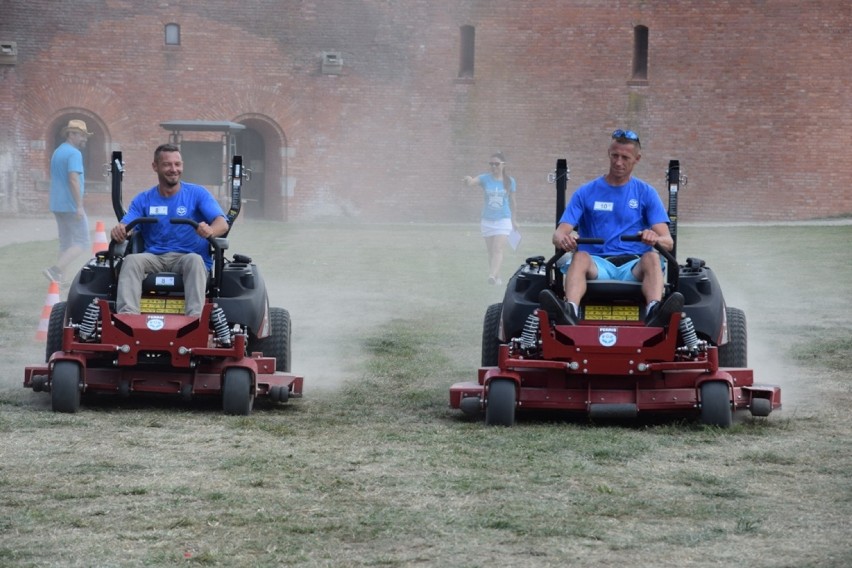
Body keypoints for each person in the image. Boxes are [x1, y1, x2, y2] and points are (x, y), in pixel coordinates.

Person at [541, 129, 683, 326]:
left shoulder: (646, 193)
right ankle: (569, 311)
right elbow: (559, 234)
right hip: (596, 264)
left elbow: (667, 242)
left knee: (652, 257)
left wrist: (654, 238)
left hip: (633, 265)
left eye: (625, 157)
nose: (618, 162)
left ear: (637, 159)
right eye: (615, 155)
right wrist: (565, 239)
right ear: (609, 153)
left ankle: (655, 312)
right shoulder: (586, 192)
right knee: (580, 256)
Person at [110, 143, 229, 317]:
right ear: (155, 166)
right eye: (167, 164)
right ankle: (128, 319)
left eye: (177, 164)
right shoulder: (143, 199)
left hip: (187, 257)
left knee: (195, 261)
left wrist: (210, 230)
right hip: (154, 258)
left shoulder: (197, 194)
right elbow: (126, 226)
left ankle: (195, 319)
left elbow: (222, 223)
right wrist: (120, 231)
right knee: (131, 261)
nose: (174, 169)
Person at [44, 119, 92, 284]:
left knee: (66, 243)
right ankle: (55, 270)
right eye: (82, 135)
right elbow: (73, 179)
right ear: (71, 134)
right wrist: (79, 205)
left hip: (57, 204)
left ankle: (58, 280)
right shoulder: (74, 153)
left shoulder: (58, 151)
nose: (85, 139)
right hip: (71, 205)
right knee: (83, 242)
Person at [463, 152, 518, 285]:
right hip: (487, 220)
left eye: (496, 164)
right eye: (491, 164)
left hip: (503, 220)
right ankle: (496, 277)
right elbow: (471, 182)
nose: (494, 166)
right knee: (490, 251)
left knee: (498, 249)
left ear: (503, 165)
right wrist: (468, 180)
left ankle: (492, 276)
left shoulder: (510, 181)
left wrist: (514, 220)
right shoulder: (485, 178)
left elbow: (513, 202)